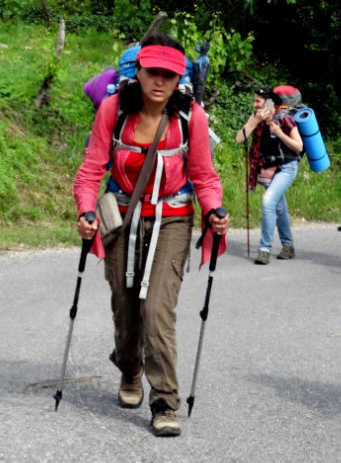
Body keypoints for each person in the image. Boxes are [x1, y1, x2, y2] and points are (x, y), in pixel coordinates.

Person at [73, 34, 230, 437]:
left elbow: (203, 175)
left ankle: (163, 401)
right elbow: (91, 170)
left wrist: (214, 209)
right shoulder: (113, 109)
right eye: (152, 72)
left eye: (168, 74)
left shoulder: (190, 117)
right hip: (121, 216)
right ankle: (130, 367)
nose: (159, 81)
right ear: (137, 73)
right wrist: (86, 210)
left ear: (179, 77)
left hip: (173, 218)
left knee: (157, 310)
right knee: (125, 310)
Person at [234, 87, 303, 264]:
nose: (254, 104)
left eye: (258, 101)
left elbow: (299, 146)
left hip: (287, 167)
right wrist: (253, 123)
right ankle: (288, 246)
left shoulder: (284, 118)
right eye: (254, 101)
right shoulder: (255, 118)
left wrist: (279, 133)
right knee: (279, 208)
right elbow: (239, 139)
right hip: (268, 169)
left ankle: (264, 249)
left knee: (268, 201)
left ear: (270, 103)